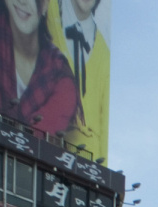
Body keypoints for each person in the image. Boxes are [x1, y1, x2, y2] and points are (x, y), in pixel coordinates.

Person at [0, 0, 80, 139]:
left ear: (45, 5)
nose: (23, 1)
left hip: (23, 157)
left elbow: (36, 140)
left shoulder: (62, 77)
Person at [52, 0, 107, 158]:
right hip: (40, 134)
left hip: (84, 154)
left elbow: (103, 129)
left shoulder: (103, 53)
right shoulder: (47, 15)